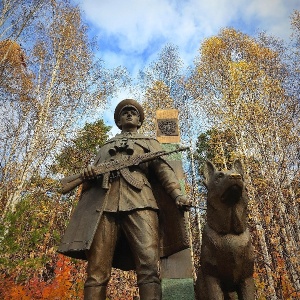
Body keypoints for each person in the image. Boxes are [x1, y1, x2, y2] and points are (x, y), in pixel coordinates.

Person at [58, 99, 190, 300]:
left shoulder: (149, 143)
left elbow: (164, 172)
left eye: (133, 113)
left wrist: (178, 195)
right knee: (96, 272)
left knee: (148, 266)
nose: (129, 114)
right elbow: (87, 183)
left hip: (141, 203)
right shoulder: (105, 147)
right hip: (103, 206)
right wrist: (88, 174)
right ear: (119, 122)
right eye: (124, 113)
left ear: (139, 121)